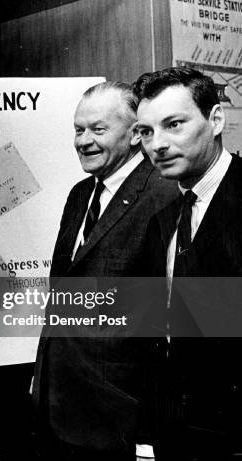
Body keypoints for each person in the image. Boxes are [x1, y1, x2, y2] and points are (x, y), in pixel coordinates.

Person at [31, 82, 177, 460]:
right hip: (60, 407)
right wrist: (42, 376)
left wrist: (150, 431)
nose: (84, 141)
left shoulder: (165, 195)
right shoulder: (80, 194)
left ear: (133, 135)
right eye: (79, 130)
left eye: (98, 129)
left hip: (122, 420)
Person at [135, 67, 242, 460]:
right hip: (179, 435)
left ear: (216, 120)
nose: (157, 144)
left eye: (174, 124)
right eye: (146, 131)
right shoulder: (163, 221)